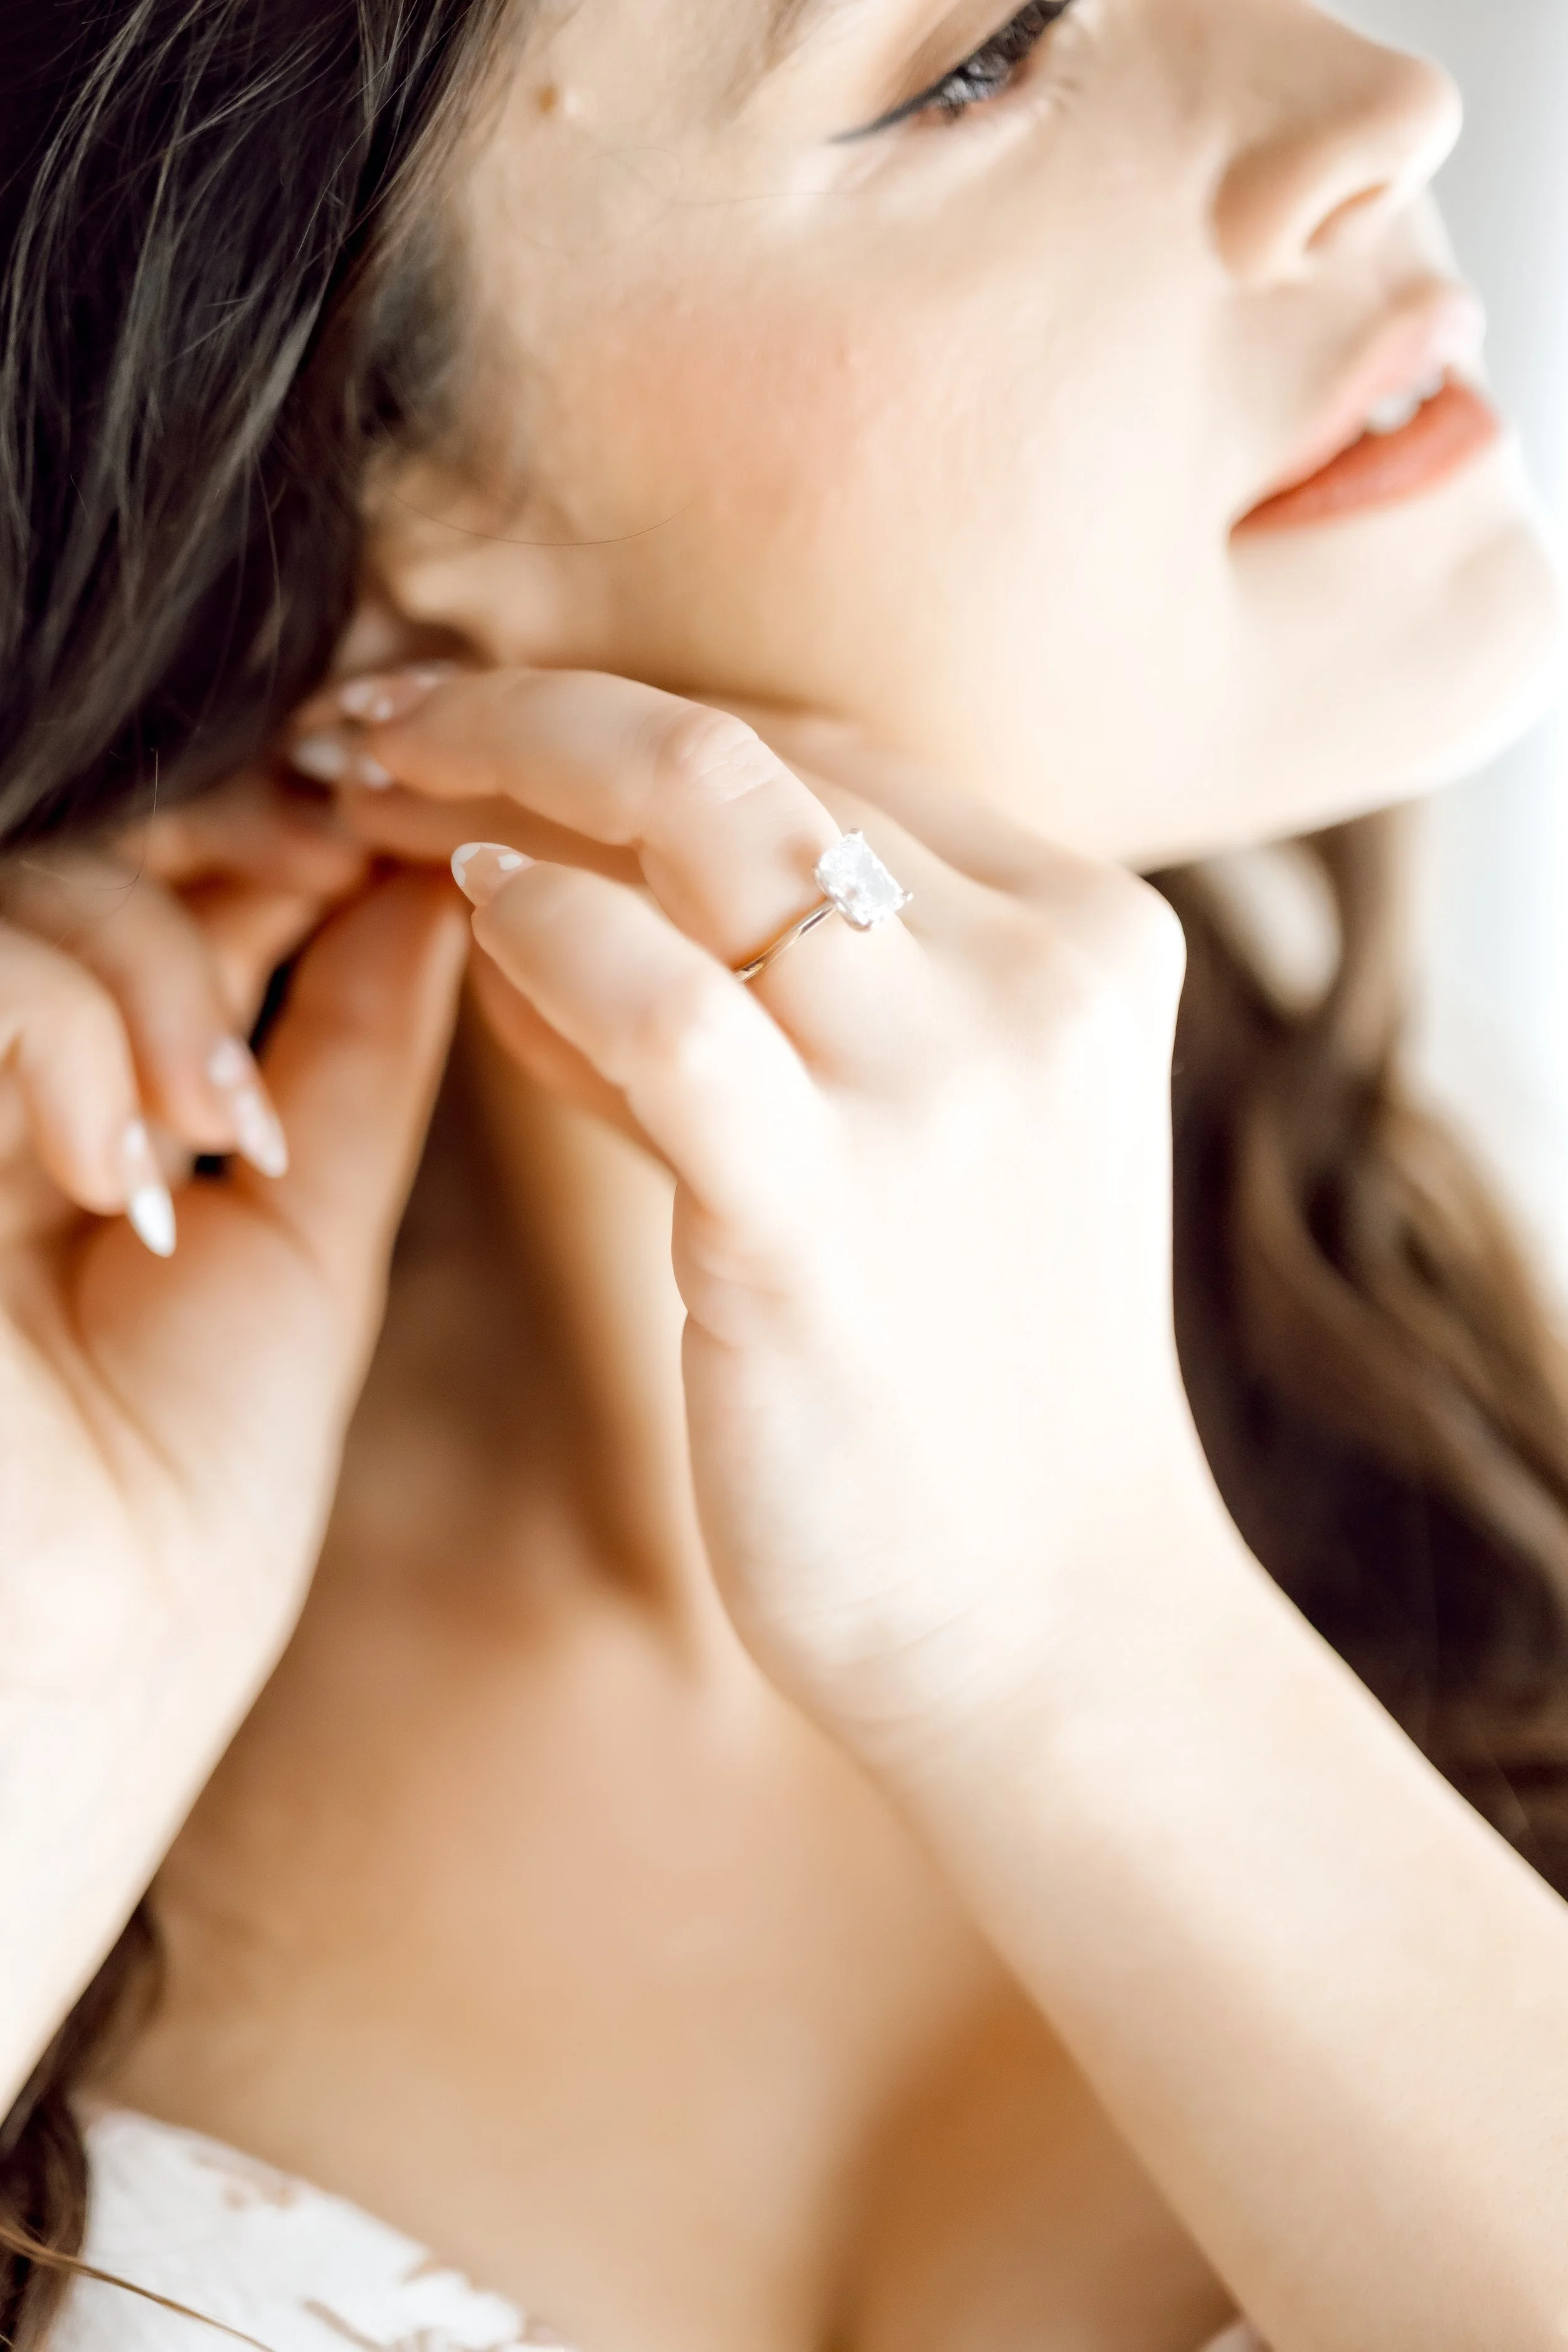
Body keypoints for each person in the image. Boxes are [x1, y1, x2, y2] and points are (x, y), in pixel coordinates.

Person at [1, 2, 1567, 2348]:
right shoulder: (62, 1506)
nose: (1380, 102)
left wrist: (1085, 1640)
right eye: (975, 60)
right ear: (372, 507)